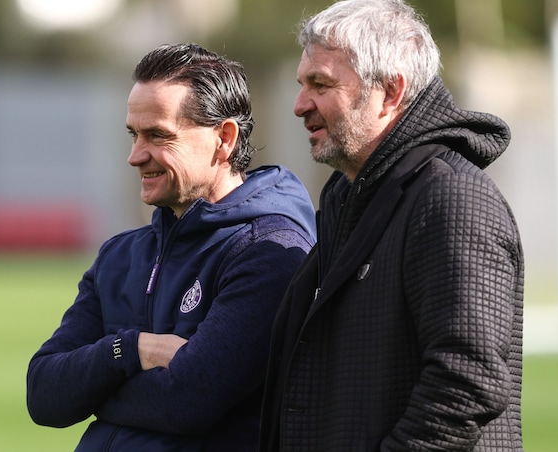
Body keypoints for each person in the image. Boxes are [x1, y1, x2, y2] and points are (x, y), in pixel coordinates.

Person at [258, 0, 524, 450]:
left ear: (390, 91)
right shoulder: (351, 196)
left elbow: (467, 380)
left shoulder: (451, 197)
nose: (300, 105)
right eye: (302, 84)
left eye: (320, 84)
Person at [26, 43, 317, 451]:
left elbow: (188, 399)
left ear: (224, 139)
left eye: (157, 135)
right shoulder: (120, 256)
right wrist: (131, 349)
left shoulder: (270, 250)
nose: (135, 155)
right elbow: (44, 394)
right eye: (133, 134)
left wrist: (92, 392)